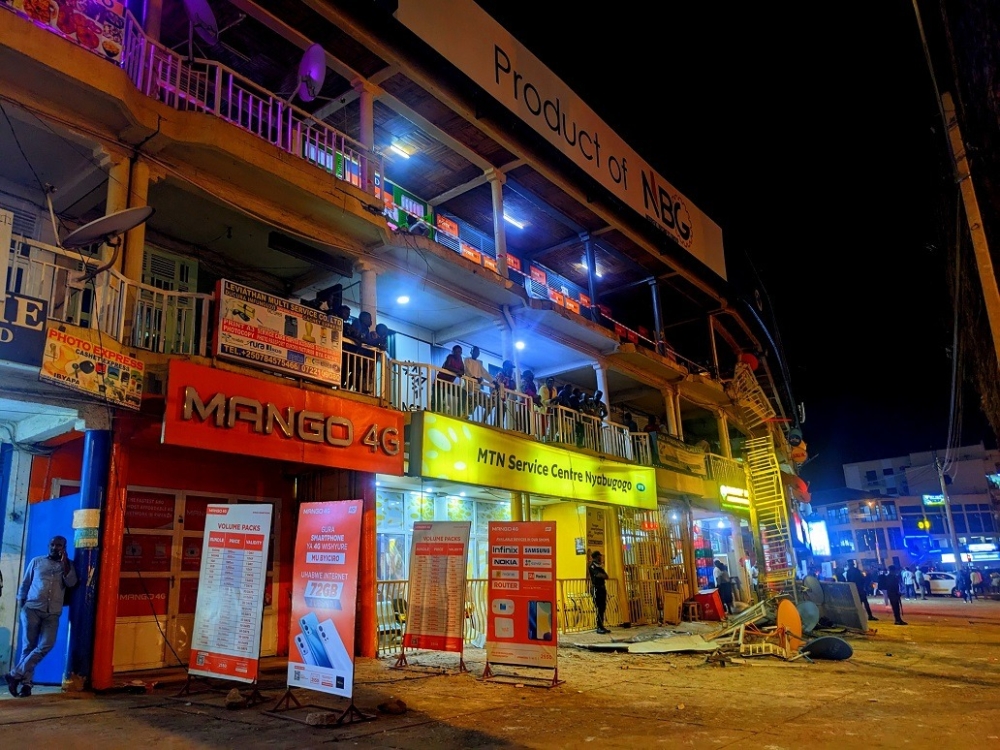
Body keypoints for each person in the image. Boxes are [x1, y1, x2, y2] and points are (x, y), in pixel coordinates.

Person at [5, 535, 77, 698]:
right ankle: (26, 685)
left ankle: (15, 674)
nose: (54, 547)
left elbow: (71, 583)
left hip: (52, 612)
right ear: (48, 545)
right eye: (52, 544)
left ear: (64, 547)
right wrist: (21, 606)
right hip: (32, 609)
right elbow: (25, 584)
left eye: (59, 545)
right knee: (28, 647)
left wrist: (64, 562)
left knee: (46, 644)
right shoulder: (37, 562)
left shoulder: (68, 565)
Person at [434, 345, 465, 416]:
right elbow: (447, 366)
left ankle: (459, 413)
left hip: (448, 383)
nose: (458, 353)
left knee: (462, 393)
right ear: (453, 352)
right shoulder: (450, 357)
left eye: (460, 352)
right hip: (440, 381)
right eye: (457, 351)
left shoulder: (460, 359)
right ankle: (437, 413)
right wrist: (457, 371)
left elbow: (462, 371)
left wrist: (459, 372)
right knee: (438, 399)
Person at [463, 345, 491, 420]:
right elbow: (466, 370)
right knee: (468, 407)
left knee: (489, 404)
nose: (476, 353)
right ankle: (465, 417)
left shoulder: (479, 363)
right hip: (468, 388)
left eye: (477, 351)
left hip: (477, 390)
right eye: (475, 351)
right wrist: (474, 377)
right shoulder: (467, 360)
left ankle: (483, 421)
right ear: (471, 352)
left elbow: (485, 373)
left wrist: (493, 381)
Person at [588, 550, 611, 634]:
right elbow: (598, 575)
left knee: (602, 607)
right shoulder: (592, 566)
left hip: (602, 588)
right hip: (596, 588)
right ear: (596, 556)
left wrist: (602, 575)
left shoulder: (600, 567)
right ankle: (598, 627)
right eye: (599, 556)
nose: (601, 557)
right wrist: (601, 576)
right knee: (598, 608)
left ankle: (602, 626)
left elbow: (606, 576)